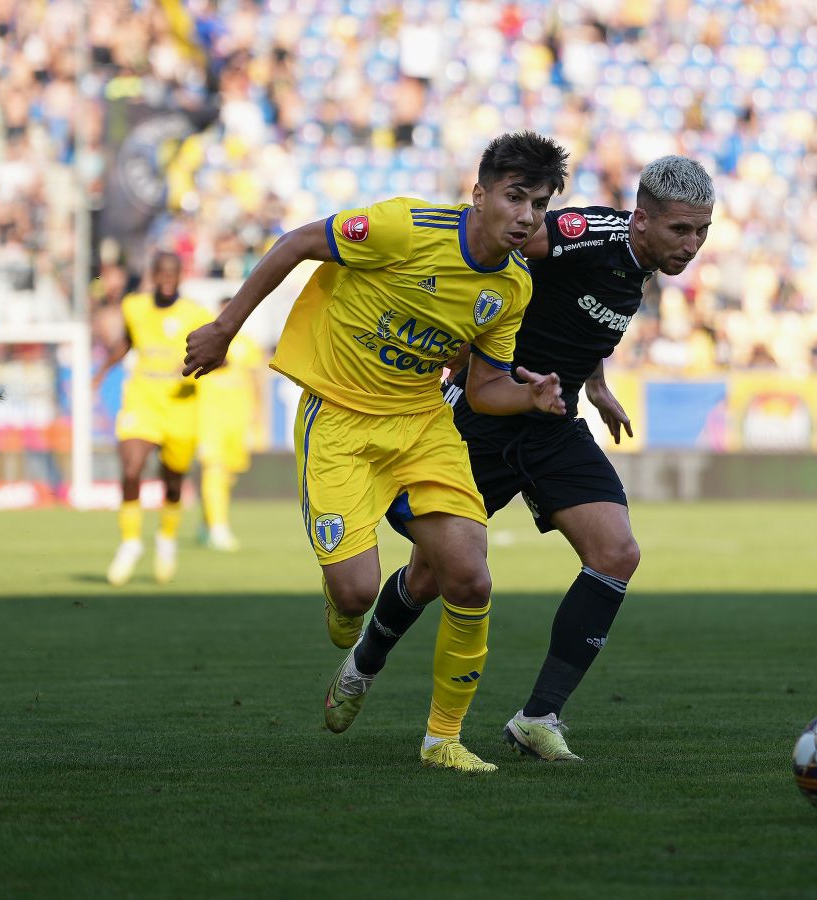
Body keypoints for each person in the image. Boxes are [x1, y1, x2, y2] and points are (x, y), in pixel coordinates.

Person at [182, 131, 570, 774]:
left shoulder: (512, 287)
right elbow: (299, 242)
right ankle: (348, 618)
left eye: (541, 203)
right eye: (515, 196)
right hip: (339, 416)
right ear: (479, 194)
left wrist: (529, 400)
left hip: (421, 423)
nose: (528, 215)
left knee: (469, 576)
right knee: (357, 593)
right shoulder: (404, 228)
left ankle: (442, 738)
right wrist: (225, 328)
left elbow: (483, 387)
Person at [343, 156, 715, 761]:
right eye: (681, 231)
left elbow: (577, 313)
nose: (692, 245)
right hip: (484, 417)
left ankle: (538, 716)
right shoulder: (579, 234)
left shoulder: (639, 263)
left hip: (552, 421)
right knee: (432, 575)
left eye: (702, 232)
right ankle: (364, 661)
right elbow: (495, 251)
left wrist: (594, 383)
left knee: (617, 553)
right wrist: (461, 341)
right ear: (640, 220)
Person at [95, 251, 214, 587]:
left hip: (180, 404)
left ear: (179, 276)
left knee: (173, 480)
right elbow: (128, 342)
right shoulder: (135, 306)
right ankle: (130, 543)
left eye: (171, 273)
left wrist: (192, 367)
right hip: (143, 398)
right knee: (131, 467)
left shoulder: (195, 313)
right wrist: (102, 372)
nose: (165, 278)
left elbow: (217, 355)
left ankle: (166, 539)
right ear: (153, 274)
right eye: (160, 272)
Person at [195, 297, 263, 551]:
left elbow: (257, 382)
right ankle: (218, 528)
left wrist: (258, 414)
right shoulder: (207, 344)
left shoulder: (248, 346)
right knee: (213, 469)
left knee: (228, 474)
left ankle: (206, 522)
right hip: (210, 418)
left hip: (238, 419)